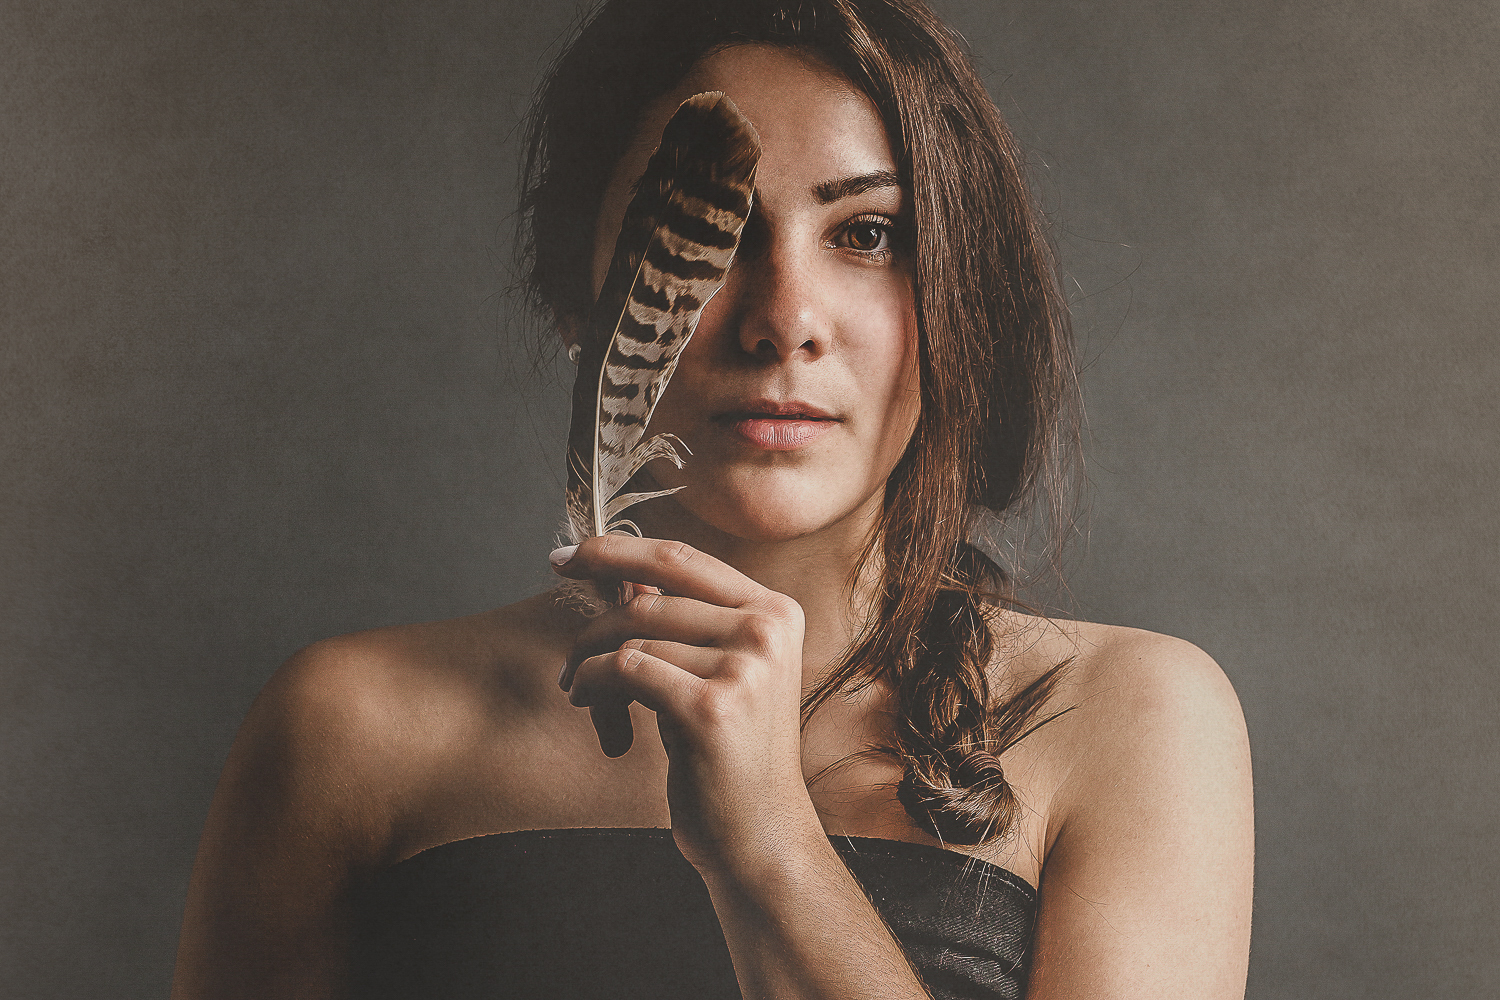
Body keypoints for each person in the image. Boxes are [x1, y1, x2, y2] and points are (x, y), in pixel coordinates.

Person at [171, 1, 1253, 997]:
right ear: (576, 292)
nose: (785, 317)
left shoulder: (1127, 721)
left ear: (955, 282)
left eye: (866, 235)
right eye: (718, 229)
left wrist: (769, 844)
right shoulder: (350, 731)